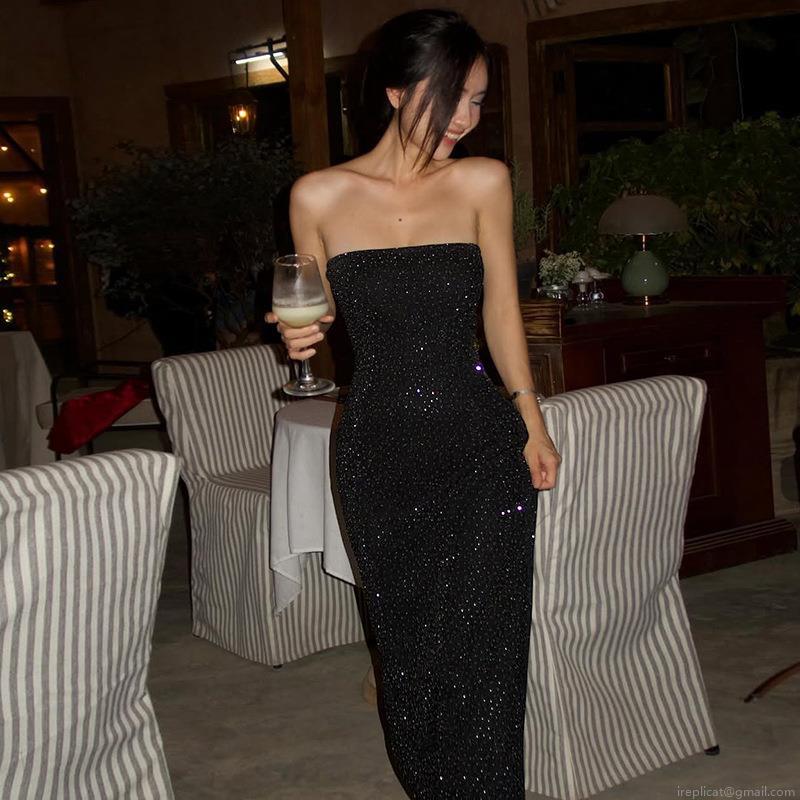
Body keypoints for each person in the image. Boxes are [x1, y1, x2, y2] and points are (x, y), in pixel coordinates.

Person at [266, 9, 561, 798]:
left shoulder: (482, 181)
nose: (467, 117)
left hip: (479, 444)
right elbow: (318, 309)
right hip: (378, 446)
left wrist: (531, 421)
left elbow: (500, 311)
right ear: (397, 90)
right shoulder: (318, 195)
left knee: (487, 650)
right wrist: (300, 332)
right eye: (452, 95)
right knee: (407, 648)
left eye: (478, 99)